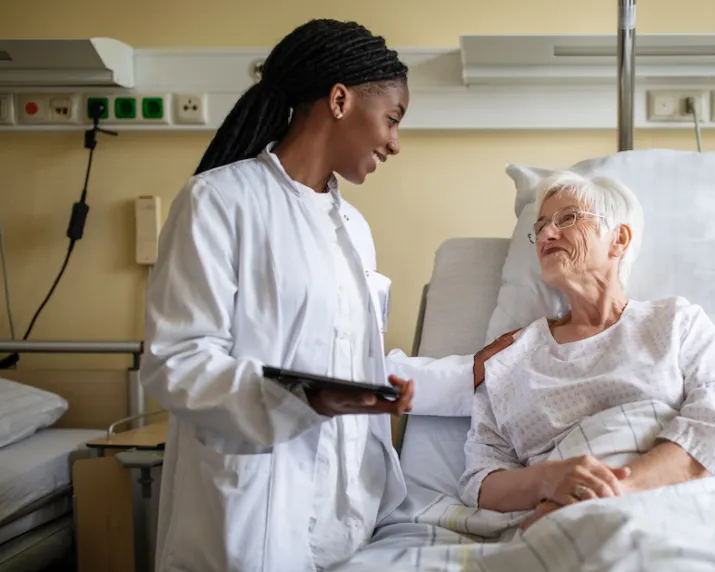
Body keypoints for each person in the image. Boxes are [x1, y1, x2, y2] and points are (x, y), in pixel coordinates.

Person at [141, 19, 514, 572]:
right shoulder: (219, 202)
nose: (394, 142)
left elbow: (350, 361)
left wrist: (467, 374)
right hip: (254, 511)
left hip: (351, 514)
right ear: (339, 100)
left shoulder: (354, 228)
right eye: (391, 119)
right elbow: (178, 363)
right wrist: (303, 396)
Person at [457, 171, 715, 528]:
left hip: (678, 503)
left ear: (618, 239)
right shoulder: (510, 358)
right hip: (562, 520)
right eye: (540, 226)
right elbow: (480, 480)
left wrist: (610, 493)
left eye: (568, 218)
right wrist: (549, 481)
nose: (545, 233)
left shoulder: (675, 323)